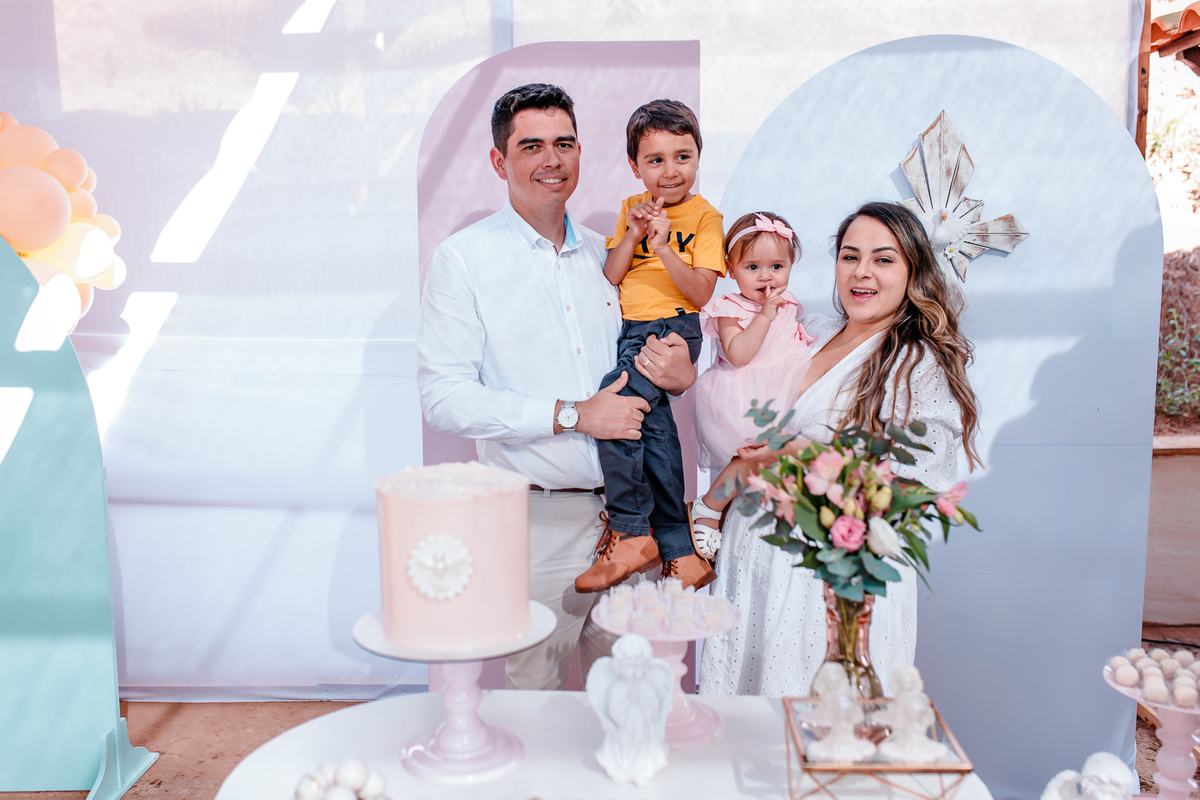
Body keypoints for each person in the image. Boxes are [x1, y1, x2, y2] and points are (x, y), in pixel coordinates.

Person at [417, 83, 696, 691]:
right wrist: (574, 415)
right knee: (534, 702)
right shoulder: (464, 260)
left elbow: (648, 359)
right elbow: (444, 398)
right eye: (532, 146)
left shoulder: (613, 257)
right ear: (500, 162)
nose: (552, 159)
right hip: (540, 521)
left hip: (636, 518)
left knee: (634, 699)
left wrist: (680, 375)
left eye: (564, 144)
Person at [698, 201, 981, 697]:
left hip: (828, 581)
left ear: (914, 270)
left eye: (883, 259)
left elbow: (920, 477)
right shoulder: (809, 332)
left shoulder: (914, 360)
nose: (861, 271)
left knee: (817, 718)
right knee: (742, 722)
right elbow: (736, 385)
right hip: (752, 562)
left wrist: (802, 455)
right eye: (850, 256)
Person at [574, 99, 724, 595]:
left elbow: (701, 293)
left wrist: (661, 247)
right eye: (655, 160)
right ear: (635, 166)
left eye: (683, 156)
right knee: (654, 432)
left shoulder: (706, 217)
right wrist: (634, 234)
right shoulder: (630, 209)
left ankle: (631, 530)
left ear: (698, 156)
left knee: (614, 402)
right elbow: (612, 274)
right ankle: (680, 553)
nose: (671, 170)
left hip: (672, 328)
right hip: (633, 330)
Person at [687, 211, 816, 560]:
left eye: (777, 266)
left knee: (776, 464)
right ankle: (709, 506)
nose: (766, 276)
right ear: (731, 269)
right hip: (743, 397)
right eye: (753, 267)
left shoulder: (789, 303)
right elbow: (739, 354)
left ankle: (748, 522)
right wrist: (764, 316)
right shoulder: (729, 308)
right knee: (750, 456)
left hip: (783, 392)